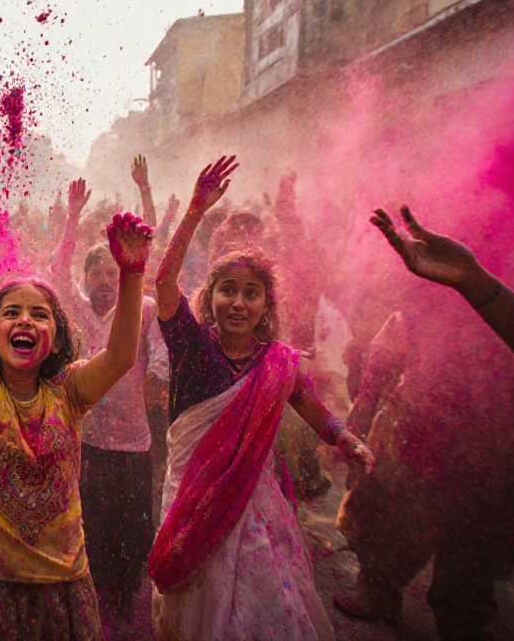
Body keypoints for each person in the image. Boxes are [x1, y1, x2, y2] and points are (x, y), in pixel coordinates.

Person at [147, 157, 373, 641]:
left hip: (253, 505)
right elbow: (164, 284)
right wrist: (192, 212)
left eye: (252, 294)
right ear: (210, 298)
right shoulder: (193, 347)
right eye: (228, 290)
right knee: (195, 601)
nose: (239, 302)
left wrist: (346, 438)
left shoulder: (277, 361)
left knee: (261, 601)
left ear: (266, 306)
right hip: (193, 501)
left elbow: (307, 402)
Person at [368, 205, 514, 641]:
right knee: (403, 518)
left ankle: (458, 622)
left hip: (500, 443)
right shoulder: (450, 279)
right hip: (433, 425)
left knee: (471, 547)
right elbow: (400, 337)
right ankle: (379, 591)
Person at [0, 173, 154, 639]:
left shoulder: (68, 391)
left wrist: (133, 274)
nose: (25, 320)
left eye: (40, 314)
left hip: (64, 581)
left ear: (56, 337)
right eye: (11, 312)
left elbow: (119, 357)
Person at [49, 171, 168, 617]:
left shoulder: (142, 308)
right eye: (95, 273)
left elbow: (160, 349)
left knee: (133, 522)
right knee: (93, 520)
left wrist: (157, 373)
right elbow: (57, 273)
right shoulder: (78, 309)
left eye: (109, 272)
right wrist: (72, 217)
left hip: (135, 441)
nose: (103, 280)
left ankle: (124, 586)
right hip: (89, 440)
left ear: (122, 276)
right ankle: (97, 586)